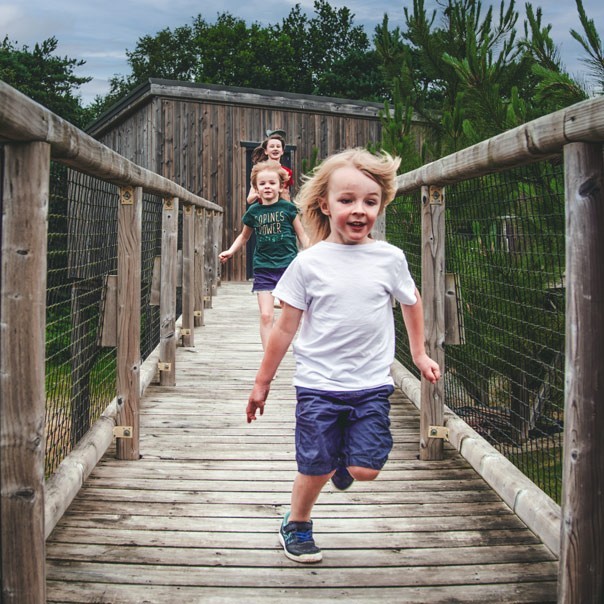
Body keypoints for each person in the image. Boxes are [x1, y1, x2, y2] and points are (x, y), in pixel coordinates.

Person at [245, 148, 441, 564]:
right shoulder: (308, 263)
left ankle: (344, 467)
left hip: (371, 384)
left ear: (381, 205)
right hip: (319, 385)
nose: (359, 211)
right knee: (314, 466)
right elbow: (284, 327)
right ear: (324, 203)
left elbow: (411, 301)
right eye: (347, 200)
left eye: (370, 202)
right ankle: (296, 523)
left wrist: (420, 354)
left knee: (367, 468)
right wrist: (263, 383)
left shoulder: (389, 258)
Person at [220, 159, 308, 350]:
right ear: (256, 189)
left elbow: (302, 235)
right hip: (263, 267)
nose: (267, 187)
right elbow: (244, 237)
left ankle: (288, 347)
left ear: (280, 186)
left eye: (272, 183)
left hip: (288, 267)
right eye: (262, 184)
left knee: (288, 314)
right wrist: (230, 251)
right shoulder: (254, 211)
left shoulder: (289, 209)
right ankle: (269, 358)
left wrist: (313, 255)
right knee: (266, 315)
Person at [247, 131, 294, 203]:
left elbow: (286, 195)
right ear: (266, 151)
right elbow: (249, 200)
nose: (275, 148)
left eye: (278, 146)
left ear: (282, 151)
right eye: (272, 146)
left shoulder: (287, 172)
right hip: (263, 210)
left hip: (279, 210)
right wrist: (258, 195)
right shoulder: (259, 171)